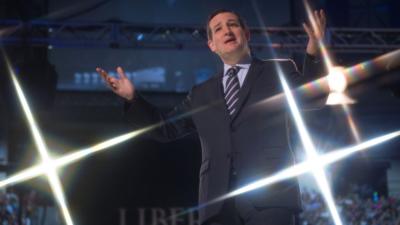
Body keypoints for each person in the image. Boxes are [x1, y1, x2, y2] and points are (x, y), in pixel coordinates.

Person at [97, 9, 327, 225]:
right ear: (211, 45)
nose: (226, 31)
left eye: (233, 25)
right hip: (218, 204)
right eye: (218, 29)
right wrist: (132, 99)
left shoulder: (279, 71)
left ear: (246, 34)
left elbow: (313, 98)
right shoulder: (200, 94)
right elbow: (165, 129)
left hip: (271, 196)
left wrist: (315, 50)